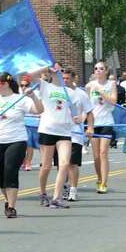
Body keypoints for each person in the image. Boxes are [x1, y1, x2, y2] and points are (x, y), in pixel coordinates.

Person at [0, 72, 42, 218]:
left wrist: (33, 96)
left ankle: (11, 207)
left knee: (10, 171)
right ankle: (6, 199)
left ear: (6, 84)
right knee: (0, 176)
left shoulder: (20, 99)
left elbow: (39, 110)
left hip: (16, 140)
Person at [31, 64, 77, 209]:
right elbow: (29, 75)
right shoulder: (45, 86)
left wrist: (80, 118)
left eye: (61, 70)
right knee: (46, 166)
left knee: (64, 164)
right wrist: (46, 68)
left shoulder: (70, 91)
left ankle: (57, 197)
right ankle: (43, 192)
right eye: (57, 70)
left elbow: (78, 111)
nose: (59, 73)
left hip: (64, 132)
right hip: (47, 130)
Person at [84, 61, 116, 193]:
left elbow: (113, 101)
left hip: (106, 121)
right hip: (93, 123)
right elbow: (85, 105)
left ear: (106, 71)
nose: (98, 70)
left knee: (103, 153)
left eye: (101, 68)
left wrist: (101, 92)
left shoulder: (111, 84)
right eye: (96, 68)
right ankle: (98, 178)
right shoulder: (90, 85)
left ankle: (104, 183)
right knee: (96, 155)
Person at [62, 68, 91, 202]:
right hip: (61, 131)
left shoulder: (81, 94)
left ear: (74, 78)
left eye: (67, 78)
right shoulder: (59, 92)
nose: (65, 80)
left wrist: (86, 122)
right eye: (63, 78)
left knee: (72, 163)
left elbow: (89, 111)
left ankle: (73, 189)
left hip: (76, 133)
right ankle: (64, 186)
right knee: (63, 164)